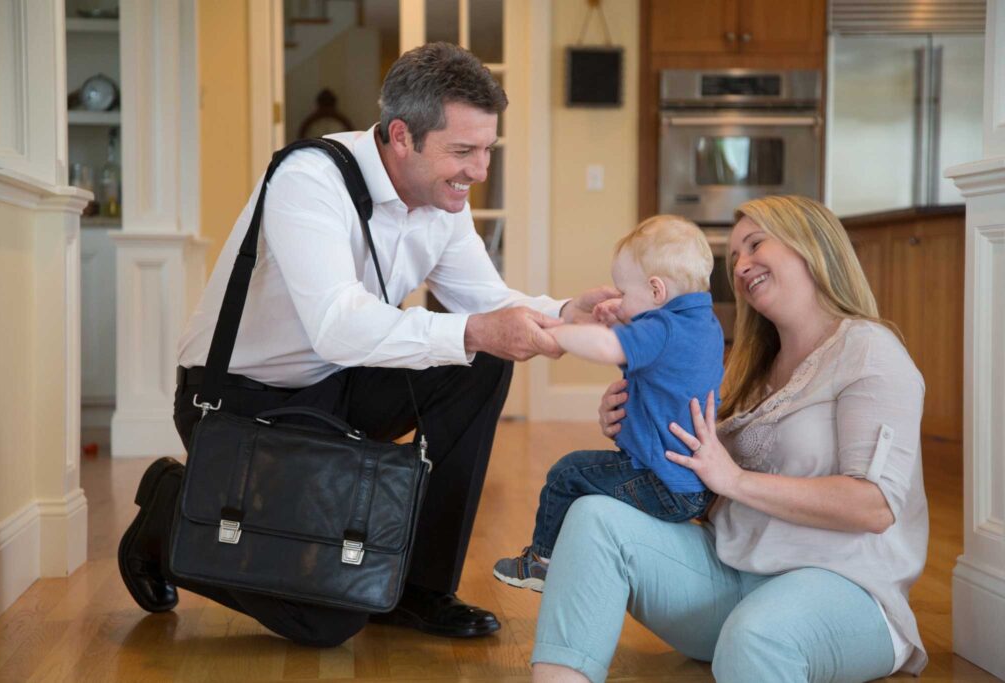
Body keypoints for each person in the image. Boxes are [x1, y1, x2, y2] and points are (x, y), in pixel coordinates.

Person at [117, 42, 615, 648]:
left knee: (482, 357)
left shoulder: (441, 199)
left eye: (487, 149)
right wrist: (475, 330)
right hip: (241, 401)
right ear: (401, 136)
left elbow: (484, 301)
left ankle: (419, 588)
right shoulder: (308, 179)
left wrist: (566, 313)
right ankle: (170, 511)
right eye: (463, 151)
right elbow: (338, 324)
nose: (479, 171)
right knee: (325, 619)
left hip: (339, 384)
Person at [530, 195, 930, 682]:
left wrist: (736, 480)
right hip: (732, 577)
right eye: (734, 256)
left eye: (756, 244)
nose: (741, 265)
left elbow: (874, 506)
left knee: (755, 635)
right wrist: (637, 424)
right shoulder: (745, 367)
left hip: (847, 590)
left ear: (813, 246)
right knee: (593, 514)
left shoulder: (869, 352)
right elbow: (695, 482)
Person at [492, 215, 723, 592]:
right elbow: (643, 359)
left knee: (567, 474)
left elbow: (608, 348)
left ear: (656, 291)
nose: (618, 301)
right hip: (693, 488)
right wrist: (620, 320)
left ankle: (542, 562)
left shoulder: (663, 328)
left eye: (623, 294)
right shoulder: (702, 326)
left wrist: (562, 333)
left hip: (661, 482)